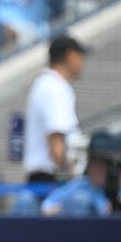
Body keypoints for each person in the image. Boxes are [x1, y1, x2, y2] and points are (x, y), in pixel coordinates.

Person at [41, 130, 121, 217]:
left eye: (100, 164)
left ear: (119, 167)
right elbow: (46, 207)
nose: (92, 168)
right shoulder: (82, 186)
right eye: (92, 162)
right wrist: (68, 208)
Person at [23, 35, 86, 183]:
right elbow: (57, 146)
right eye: (79, 56)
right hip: (51, 179)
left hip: (47, 177)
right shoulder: (54, 88)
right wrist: (73, 182)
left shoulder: (47, 85)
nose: (81, 63)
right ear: (70, 55)